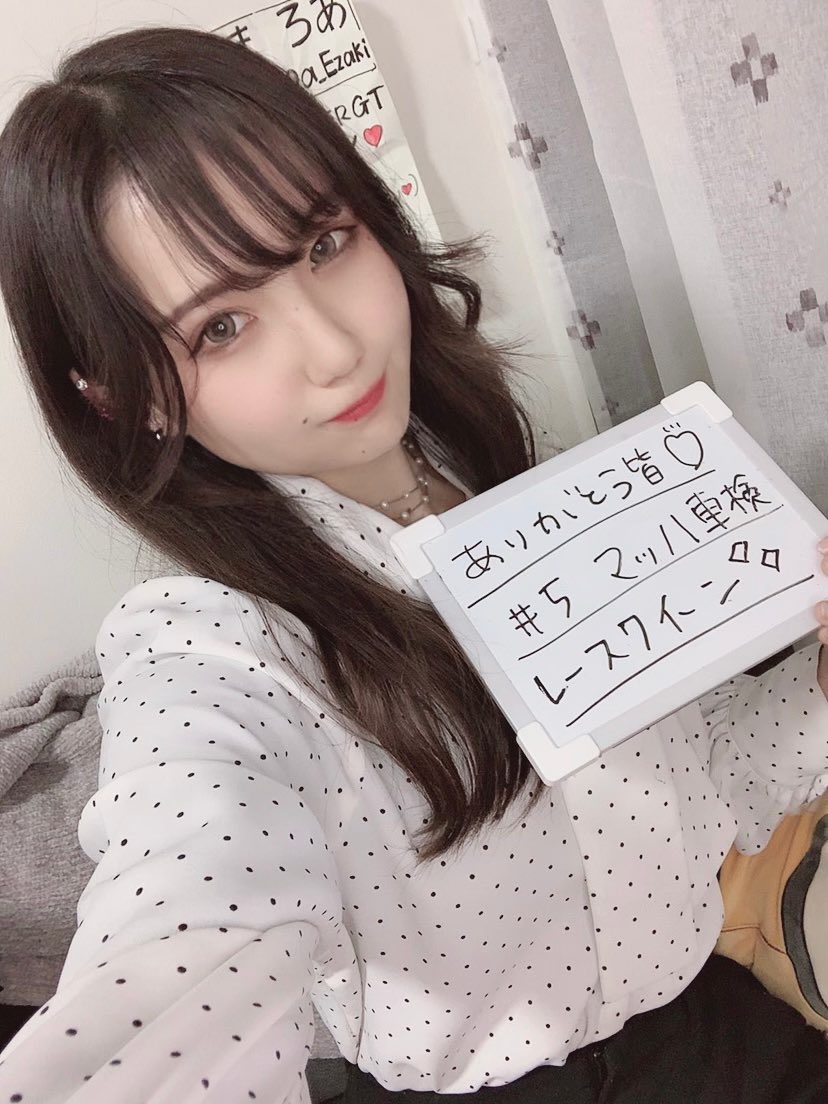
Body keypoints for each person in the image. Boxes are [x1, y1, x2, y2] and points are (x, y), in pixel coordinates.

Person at [0, 24, 827, 1104]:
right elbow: (187, 914)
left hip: (705, 1018)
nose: (336, 348)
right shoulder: (210, 649)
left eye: (323, 246)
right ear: (121, 394)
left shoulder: (499, 481)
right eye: (223, 326)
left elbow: (695, 781)